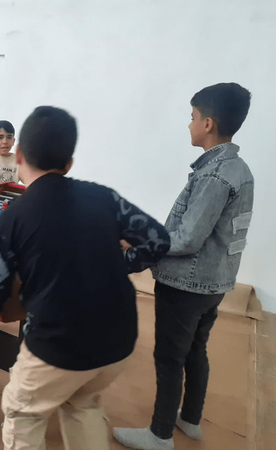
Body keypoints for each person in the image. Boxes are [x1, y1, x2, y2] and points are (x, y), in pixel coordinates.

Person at [0, 106, 170, 450]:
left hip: (59, 346)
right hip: (119, 340)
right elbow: (159, 241)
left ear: (19, 155)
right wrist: (118, 262)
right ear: (69, 164)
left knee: (23, 414)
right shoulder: (103, 196)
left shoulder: (11, 219)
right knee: (82, 403)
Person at [113, 83, 254, 450]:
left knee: (169, 357)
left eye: (192, 117)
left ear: (208, 124)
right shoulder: (239, 169)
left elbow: (189, 238)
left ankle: (159, 435)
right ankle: (190, 419)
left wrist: (143, 243)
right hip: (215, 282)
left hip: (186, 285)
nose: (189, 124)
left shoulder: (213, 175)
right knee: (195, 349)